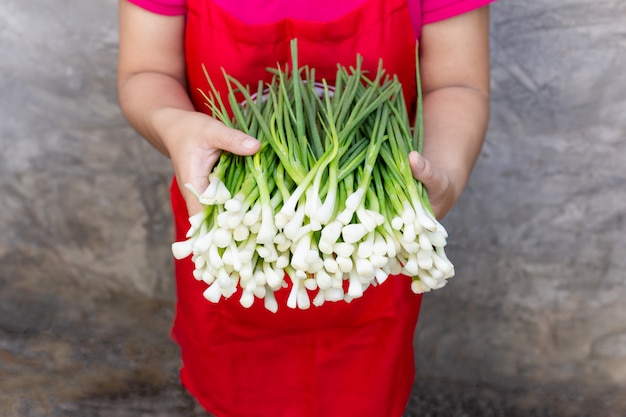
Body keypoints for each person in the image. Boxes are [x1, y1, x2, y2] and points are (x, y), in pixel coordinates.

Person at [117, 0, 493, 416]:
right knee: (234, 378)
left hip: (372, 248)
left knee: (360, 387)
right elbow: (146, 72)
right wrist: (174, 125)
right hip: (233, 230)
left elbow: (457, 83)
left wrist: (440, 180)